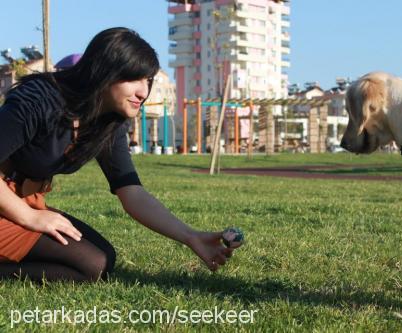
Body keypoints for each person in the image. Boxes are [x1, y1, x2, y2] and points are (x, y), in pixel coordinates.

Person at [0, 27, 235, 282]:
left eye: (148, 81)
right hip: (11, 203)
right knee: (91, 264)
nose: (143, 92)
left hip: (21, 202)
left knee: (104, 257)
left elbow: (131, 191)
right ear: (103, 71)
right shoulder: (39, 99)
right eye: (135, 79)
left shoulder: (109, 120)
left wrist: (191, 236)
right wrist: (30, 217)